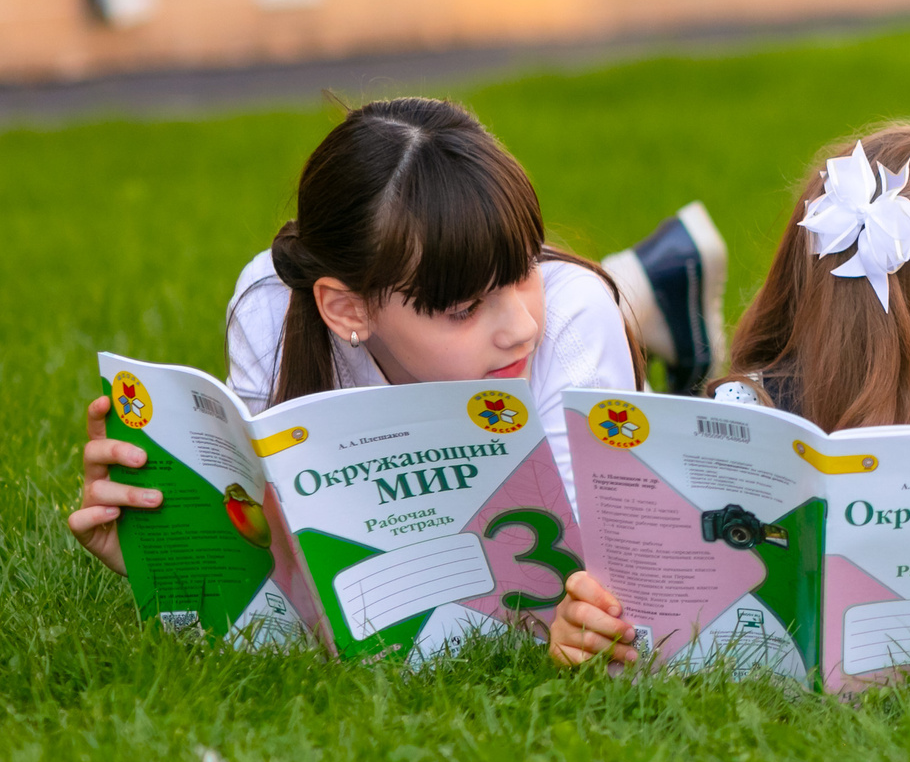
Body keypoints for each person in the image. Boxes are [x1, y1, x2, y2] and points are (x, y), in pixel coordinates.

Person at [548, 121, 910, 674]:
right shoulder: (760, 423)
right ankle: (660, 308)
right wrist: (592, 626)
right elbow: (659, 604)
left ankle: (663, 304)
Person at [71, 96, 645, 575]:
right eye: (464, 308)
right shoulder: (272, 312)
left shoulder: (568, 316)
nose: (521, 327)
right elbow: (274, 557)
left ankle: (649, 290)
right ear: (347, 309)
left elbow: (592, 568)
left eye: (524, 272)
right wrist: (168, 560)